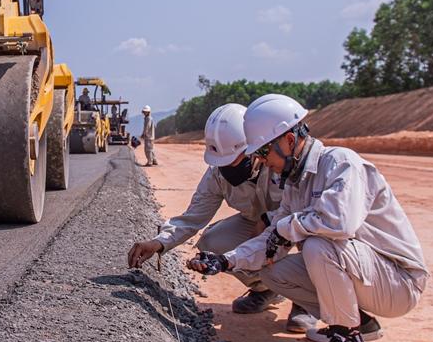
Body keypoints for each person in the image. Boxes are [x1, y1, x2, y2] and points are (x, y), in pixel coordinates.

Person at [194, 94, 429, 342]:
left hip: (398, 282)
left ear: (289, 141)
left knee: (318, 245)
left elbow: (339, 223)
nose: (263, 163)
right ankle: (361, 323)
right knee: (274, 273)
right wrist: (227, 261)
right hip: (368, 276)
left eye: (264, 153)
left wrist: (284, 228)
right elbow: (272, 238)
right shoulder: (296, 185)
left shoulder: (341, 164)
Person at [126, 104, 316, 330]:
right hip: (253, 224)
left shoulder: (281, 162)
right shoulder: (217, 174)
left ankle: (307, 303)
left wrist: (269, 221)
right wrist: (159, 243)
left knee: (312, 241)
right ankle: (265, 290)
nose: (228, 170)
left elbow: (306, 206)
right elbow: (192, 218)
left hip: (293, 223)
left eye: (234, 161)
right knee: (213, 242)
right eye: (223, 164)